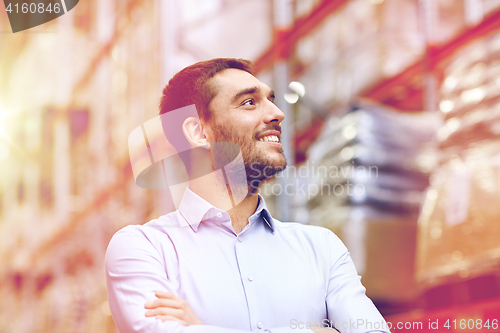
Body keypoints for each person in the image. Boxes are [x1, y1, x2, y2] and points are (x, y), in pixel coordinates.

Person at [105, 58, 391, 333]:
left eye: (271, 99)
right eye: (250, 102)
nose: (277, 114)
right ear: (198, 132)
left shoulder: (322, 248)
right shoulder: (144, 249)